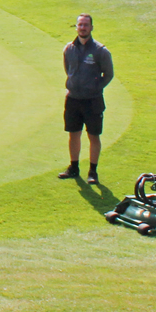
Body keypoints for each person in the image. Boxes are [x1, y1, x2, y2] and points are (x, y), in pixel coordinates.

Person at [59, 13, 114, 184]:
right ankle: (73, 167)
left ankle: (92, 171)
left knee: (93, 136)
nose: (82, 28)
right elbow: (68, 69)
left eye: (86, 25)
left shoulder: (100, 51)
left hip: (93, 101)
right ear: (76, 27)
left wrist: (95, 87)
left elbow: (109, 74)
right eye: (80, 25)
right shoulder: (69, 49)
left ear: (91, 28)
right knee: (73, 134)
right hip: (73, 99)